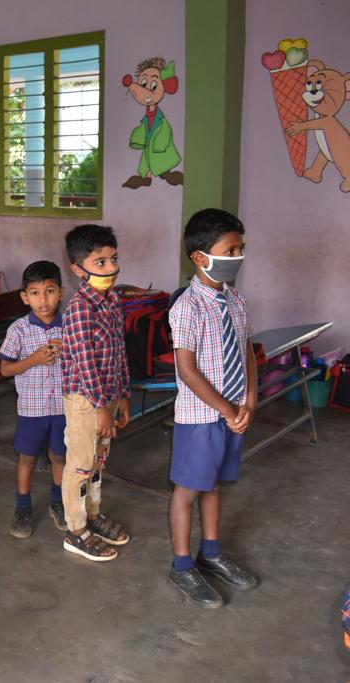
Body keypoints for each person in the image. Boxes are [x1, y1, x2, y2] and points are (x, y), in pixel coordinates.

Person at [167, 208, 258, 607]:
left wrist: (250, 398)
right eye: (230, 249)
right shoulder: (188, 307)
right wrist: (225, 408)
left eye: (241, 248)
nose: (238, 256)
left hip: (233, 412)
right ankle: (182, 566)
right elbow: (187, 369)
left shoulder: (235, 300)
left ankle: (211, 552)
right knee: (188, 490)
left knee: (214, 484)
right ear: (200, 257)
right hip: (202, 419)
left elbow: (247, 353)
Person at [59, 225, 131, 561]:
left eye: (113, 259)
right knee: (80, 464)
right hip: (86, 401)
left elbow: (120, 352)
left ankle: (93, 514)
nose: (111, 268)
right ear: (78, 269)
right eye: (100, 262)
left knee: (98, 462)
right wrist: (102, 408)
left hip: (109, 398)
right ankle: (75, 530)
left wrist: (124, 395)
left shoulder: (113, 300)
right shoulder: (79, 309)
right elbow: (86, 364)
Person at [0, 261, 67, 538]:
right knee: (27, 456)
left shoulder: (70, 326)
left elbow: (82, 363)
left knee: (59, 455)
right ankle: (23, 505)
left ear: (61, 292)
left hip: (63, 406)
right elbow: (5, 368)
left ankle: (58, 502)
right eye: (35, 293)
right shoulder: (18, 330)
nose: (43, 299)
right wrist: (34, 359)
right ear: (25, 297)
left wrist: (70, 352)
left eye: (49, 291)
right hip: (31, 408)